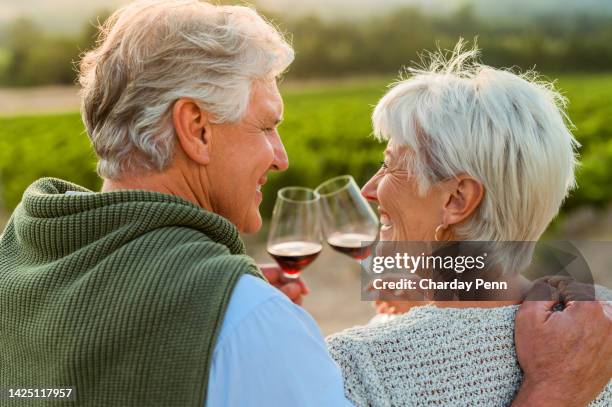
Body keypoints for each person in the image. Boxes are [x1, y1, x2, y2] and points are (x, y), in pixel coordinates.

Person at [0, 1, 608, 405]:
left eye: (391, 165)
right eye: (266, 125)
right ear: (196, 128)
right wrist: (554, 389)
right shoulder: (592, 333)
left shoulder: (18, 263)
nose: (282, 155)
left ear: (458, 198)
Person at [326, 44, 612, 406]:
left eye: (390, 166)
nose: (369, 189)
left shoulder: (356, 367)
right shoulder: (600, 325)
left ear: (456, 200)